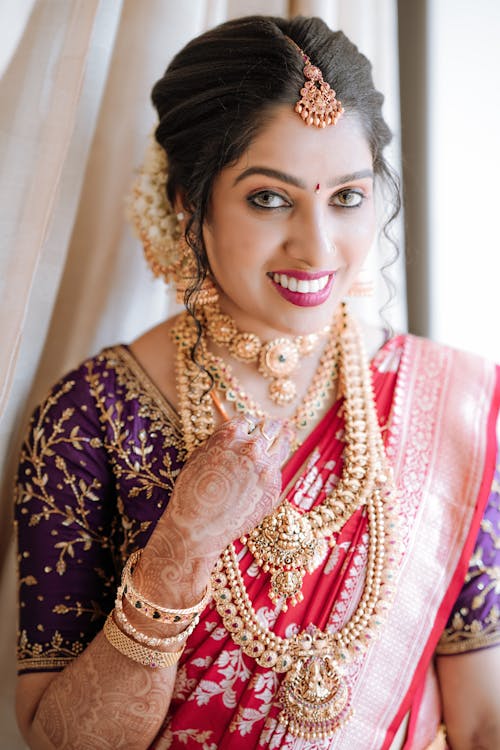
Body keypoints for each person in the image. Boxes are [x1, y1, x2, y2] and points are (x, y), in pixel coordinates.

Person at [13, 14, 500, 750]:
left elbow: (485, 717)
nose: (317, 246)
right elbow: (61, 739)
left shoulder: (453, 405)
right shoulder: (93, 417)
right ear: (188, 201)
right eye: (269, 198)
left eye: (347, 196)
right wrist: (180, 547)